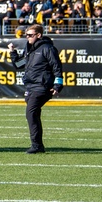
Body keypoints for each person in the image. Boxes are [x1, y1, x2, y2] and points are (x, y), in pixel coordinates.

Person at [8, 24, 63, 154]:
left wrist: (57, 85)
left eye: (30, 35)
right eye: (26, 35)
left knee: (31, 112)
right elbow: (19, 65)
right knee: (34, 114)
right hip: (31, 86)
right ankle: (38, 145)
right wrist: (13, 52)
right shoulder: (29, 49)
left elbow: (57, 67)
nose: (27, 38)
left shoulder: (48, 48)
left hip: (42, 86)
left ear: (38, 35)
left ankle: (37, 145)